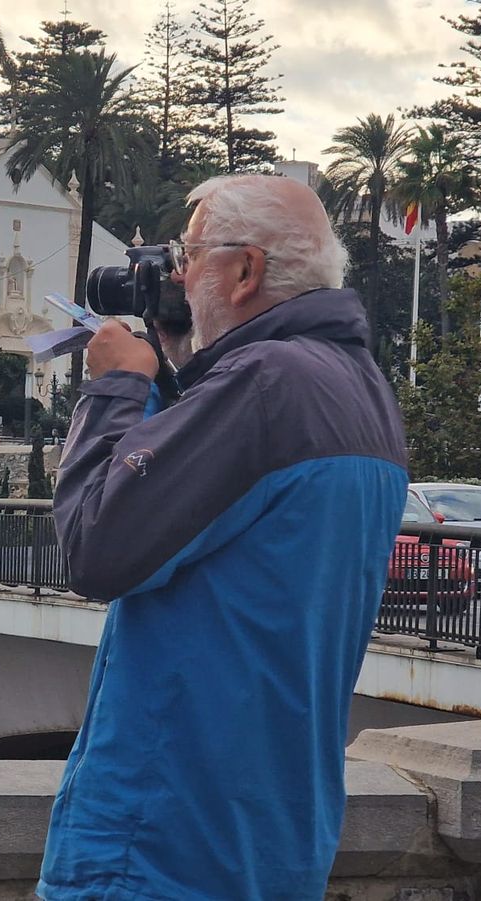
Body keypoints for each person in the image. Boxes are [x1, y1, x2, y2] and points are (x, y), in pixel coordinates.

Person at [39, 175, 408, 901]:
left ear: (246, 271)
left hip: (163, 849)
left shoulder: (264, 385)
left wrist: (115, 386)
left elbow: (95, 546)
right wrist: (181, 365)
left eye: (190, 253)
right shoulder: (362, 391)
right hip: (272, 846)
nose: (177, 273)